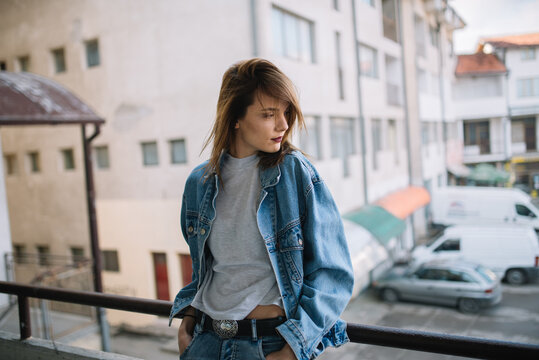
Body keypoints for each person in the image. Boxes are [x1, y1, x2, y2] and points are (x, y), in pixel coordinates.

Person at [169, 58, 354, 360]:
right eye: (269, 114)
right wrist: (188, 322)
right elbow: (205, 268)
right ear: (235, 118)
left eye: (285, 112)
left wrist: (293, 350)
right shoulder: (200, 183)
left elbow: (334, 275)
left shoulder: (294, 173)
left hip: (265, 345)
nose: (283, 124)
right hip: (205, 341)